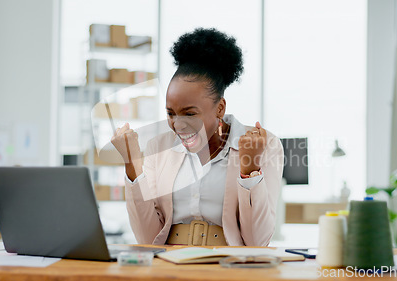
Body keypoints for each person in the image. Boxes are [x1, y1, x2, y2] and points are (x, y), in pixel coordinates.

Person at [111, 28, 284, 246]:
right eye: (170, 113)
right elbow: (147, 238)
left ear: (220, 108)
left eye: (190, 114)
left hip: (227, 266)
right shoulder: (159, 147)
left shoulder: (263, 145)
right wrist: (132, 164)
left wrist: (249, 168)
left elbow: (257, 242)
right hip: (169, 264)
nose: (178, 124)